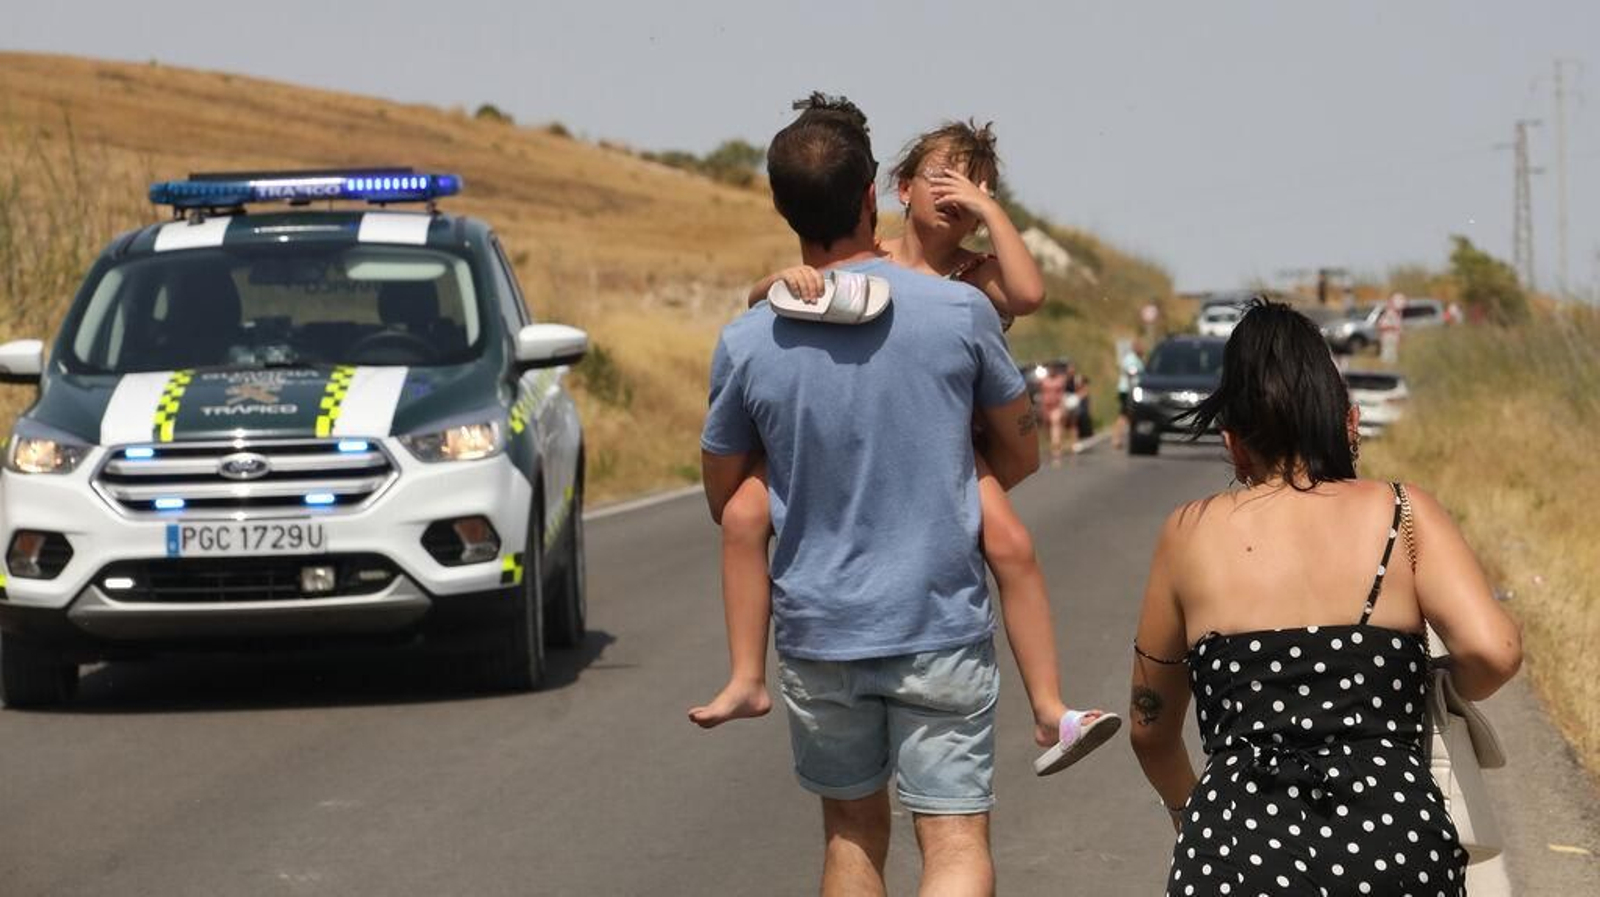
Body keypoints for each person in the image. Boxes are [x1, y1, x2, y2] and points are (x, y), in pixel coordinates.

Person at [693, 118, 1118, 779]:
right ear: (893, 190)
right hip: (861, 426)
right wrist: (782, 280)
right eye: (940, 178)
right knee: (747, 515)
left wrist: (990, 211)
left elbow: (1030, 294)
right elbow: (766, 300)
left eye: (975, 186)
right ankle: (747, 674)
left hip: (945, 437)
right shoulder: (876, 256)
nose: (956, 195)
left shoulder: (977, 276)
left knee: (1010, 543)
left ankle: (1049, 707)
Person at [699, 93, 1040, 893]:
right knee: (954, 842)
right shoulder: (961, 311)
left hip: (821, 630)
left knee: (851, 835)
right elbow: (1019, 456)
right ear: (870, 198)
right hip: (937, 624)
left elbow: (726, 494)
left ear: (785, 210)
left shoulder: (749, 338)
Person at [1127, 299, 1523, 896]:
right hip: (1393, 844)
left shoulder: (1188, 532)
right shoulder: (1402, 513)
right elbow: (1495, 652)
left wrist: (1193, 817)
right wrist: (1430, 687)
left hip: (1237, 846)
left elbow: (1149, 727)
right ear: (1350, 422)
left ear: (1233, 442)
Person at [1038, 361, 1070, 463]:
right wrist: (1042, 408)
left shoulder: (1060, 380)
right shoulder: (1044, 380)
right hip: (1047, 407)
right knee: (1049, 429)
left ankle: (1056, 452)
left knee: (1055, 424)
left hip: (1057, 407)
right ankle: (1055, 446)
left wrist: (1063, 407)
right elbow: (1042, 395)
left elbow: (1062, 394)